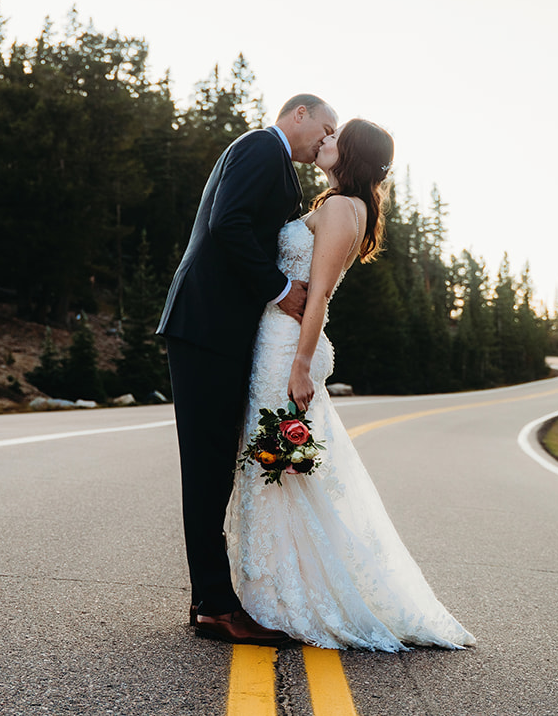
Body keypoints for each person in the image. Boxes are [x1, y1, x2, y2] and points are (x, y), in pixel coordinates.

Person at [225, 119, 476, 651]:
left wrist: (300, 365)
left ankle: (286, 597)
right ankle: (271, 590)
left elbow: (317, 297)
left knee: (278, 469)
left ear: (353, 153)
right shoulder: (343, 203)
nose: (325, 140)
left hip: (286, 347)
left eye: (336, 137)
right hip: (278, 341)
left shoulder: (341, 208)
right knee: (280, 469)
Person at [158, 94, 338, 646]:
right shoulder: (263, 147)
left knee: (217, 466)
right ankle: (215, 605)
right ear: (299, 114)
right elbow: (226, 224)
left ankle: (208, 599)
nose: (325, 141)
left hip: (220, 332)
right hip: (206, 327)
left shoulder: (278, 165)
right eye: (324, 128)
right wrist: (282, 289)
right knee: (207, 468)